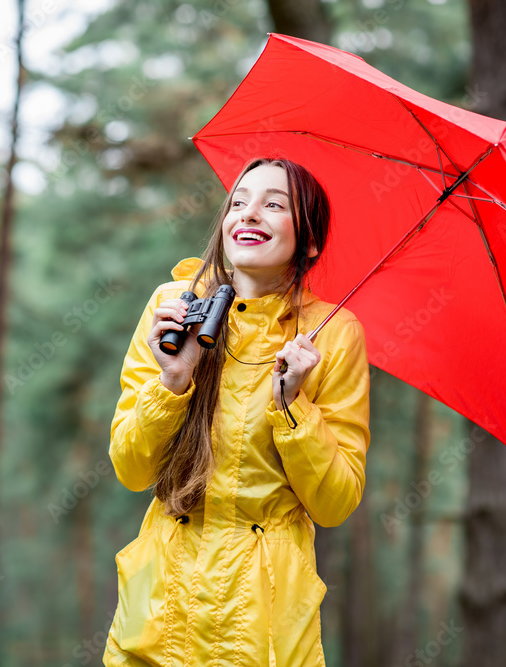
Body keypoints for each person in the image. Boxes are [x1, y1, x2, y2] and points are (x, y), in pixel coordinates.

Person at [103, 157, 371, 666]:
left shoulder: (333, 335)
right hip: (159, 612)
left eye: (275, 204)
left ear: (309, 240)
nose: (249, 214)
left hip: (265, 627)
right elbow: (130, 468)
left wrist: (293, 406)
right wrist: (174, 378)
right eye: (239, 202)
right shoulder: (172, 308)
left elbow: (336, 502)